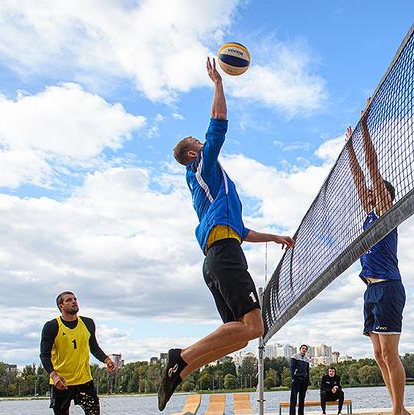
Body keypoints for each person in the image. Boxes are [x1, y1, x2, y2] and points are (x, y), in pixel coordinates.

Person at [158, 57, 295, 411]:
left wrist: (275, 238)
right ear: (192, 152)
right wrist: (219, 83)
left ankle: (183, 367)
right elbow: (217, 127)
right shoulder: (201, 166)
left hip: (218, 255)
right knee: (254, 327)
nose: (204, 146)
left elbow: (241, 231)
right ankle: (180, 356)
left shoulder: (211, 193)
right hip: (223, 255)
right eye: (198, 144)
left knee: (242, 337)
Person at [345, 98, 409, 415]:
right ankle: (399, 408)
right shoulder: (369, 214)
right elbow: (360, 178)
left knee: (389, 351)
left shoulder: (387, 212)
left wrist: (365, 128)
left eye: (375, 190)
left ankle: (398, 410)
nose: (368, 192)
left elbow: (373, 170)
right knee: (378, 355)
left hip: (387, 287)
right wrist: (349, 149)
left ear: (385, 195)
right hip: (370, 289)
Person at [39, 291, 116, 415]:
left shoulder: (88, 323)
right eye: (69, 300)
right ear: (61, 306)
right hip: (61, 382)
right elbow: (44, 355)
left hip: (84, 381)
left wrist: (107, 360)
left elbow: (94, 347)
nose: (74, 301)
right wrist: (54, 376)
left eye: (75, 299)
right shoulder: (51, 326)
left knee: (93, 412)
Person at [289, 344, 311, 415]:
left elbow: (307, 371)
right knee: (293, 399)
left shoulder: (307, 359)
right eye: (303, 348)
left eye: (305, 349)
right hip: (296, 380)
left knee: (302, 399)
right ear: (300, 349)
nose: (304, 349)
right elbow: (292, 368)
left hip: (304, 381)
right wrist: (293, 378)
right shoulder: (295, 356)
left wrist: (307, 381)